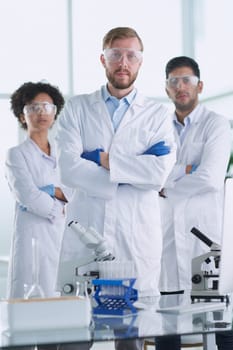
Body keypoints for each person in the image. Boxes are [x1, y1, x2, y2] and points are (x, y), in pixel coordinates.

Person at [156, 56, 232, 350]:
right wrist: (186, 170)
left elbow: (211, 178)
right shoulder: (158, 126)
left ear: (199, 85)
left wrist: (166, 182)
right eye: (173, 81)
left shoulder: (216, 125)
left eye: (186, 79)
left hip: (205, 240)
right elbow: (147, 177)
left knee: (218, 322)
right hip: (166, 240)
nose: (180, 86)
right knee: (166, 325)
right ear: (166, 89)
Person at [5, 81, 73, 299]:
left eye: (47, 107)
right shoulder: (16, 155)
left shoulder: (64, 155)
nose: (41, 112)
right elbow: (29, 196)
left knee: (63, 305)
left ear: (55, 114)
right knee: (31, 306)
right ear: (22, 116)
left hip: (62, 240)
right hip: (32, 241)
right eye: (33, 107)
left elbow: (77, 193)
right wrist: (61, 206)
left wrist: (53, 190)